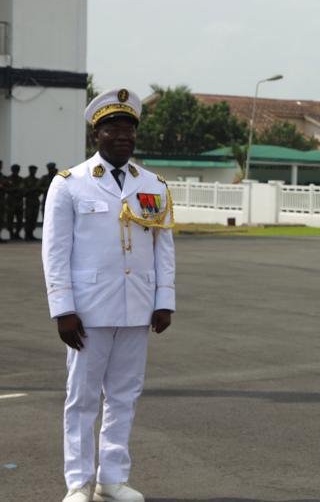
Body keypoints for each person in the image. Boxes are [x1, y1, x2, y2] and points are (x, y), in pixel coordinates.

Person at [43, 88, 176, 502]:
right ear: (95, 134)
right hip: (87, 312)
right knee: (82, 399)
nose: (123, 135)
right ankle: (78, 484)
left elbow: (163, 246)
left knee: (124, 396)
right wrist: (63, 309)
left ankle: (112, 479)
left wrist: (164, 300)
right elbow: (55, 252)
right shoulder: (70, 184)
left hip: (137, 307)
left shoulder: (153, 185)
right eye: (112, 127)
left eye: (129, 128)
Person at [23, 165, 43, 241]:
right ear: (29, 170)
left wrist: (36, 190)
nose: (33, 171)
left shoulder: (38, 180)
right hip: (29, 201)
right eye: (32, 170)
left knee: (34, 218)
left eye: (34, 170)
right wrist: (32, 190)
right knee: (28, 218)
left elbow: (40, 190)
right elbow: (24, 191)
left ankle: (31, 234)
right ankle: (27, 235)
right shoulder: (26, 180)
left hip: (35, 201)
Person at [7, 162, 24, 240]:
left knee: (20, 219)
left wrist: (17, 190)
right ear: (12, 170)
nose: (16, 171)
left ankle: (17, 234)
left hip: (19, 202)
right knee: (10, 219)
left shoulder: (21, 179)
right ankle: (11, 234)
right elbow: (5, 189)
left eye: (17, 170)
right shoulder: (8, 179)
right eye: (15, 169)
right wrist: (15, 189)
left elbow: (24, 190)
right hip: (10, 202)